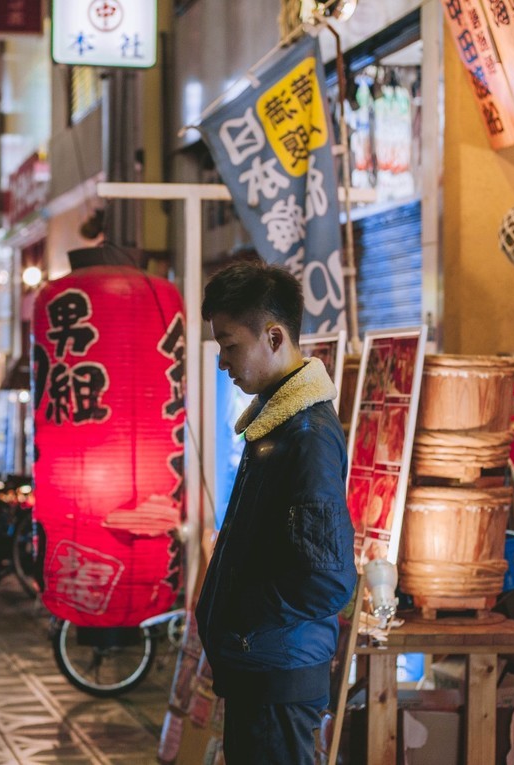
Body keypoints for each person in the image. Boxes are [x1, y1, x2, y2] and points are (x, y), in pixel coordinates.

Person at [194, 260, 357, 763]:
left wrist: (244, 613)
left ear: (273, 335)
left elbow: (327, 579)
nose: (223, 362)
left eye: (230, 344)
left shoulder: (305, 436)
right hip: (264, 665)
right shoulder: (277, 423)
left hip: (277, 670)